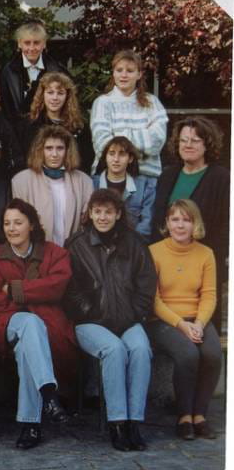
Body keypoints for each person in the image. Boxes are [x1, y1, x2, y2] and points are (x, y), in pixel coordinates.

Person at [64, 188, 156, 452]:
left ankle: (134, 422)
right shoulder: (76, 245)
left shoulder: (135, 243)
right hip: (91, 322)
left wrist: (133, 313)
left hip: (128, 319)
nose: (102, 217)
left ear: (118, 214)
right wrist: (90, 311)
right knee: (114, 350)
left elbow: (146, 284)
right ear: (90, 214)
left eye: (108, 212)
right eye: (98, 211)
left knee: (140, 349)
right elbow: (69, 289)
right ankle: (117, 423)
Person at [0, 198, 75, 449]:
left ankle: (30, 425)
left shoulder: (55, 253)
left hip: (43, 326)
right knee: (30, 323)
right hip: (7, 322)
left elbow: (57, 287)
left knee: (27, 347)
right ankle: (49, 394)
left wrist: (15, 289)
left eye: (18, 222)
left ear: (31, 225)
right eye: (7, 223)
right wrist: (35, 294)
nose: (11, 228)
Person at [146, 199, 221, 440]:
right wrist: (181, 324)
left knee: (212, 353)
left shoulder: (206, 254)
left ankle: (200, 415)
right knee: (188, 353)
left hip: (197, 318)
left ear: (195, 224)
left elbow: (209, 295)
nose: (180, 225)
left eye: (186, 220)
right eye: (175, 219)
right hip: (163, 320)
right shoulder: (154, 252)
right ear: (167, 223)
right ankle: (184, 417)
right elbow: (153, 300)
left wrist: (198, 324)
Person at [151, 117, 229, 330]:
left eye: (195, 140)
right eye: (183, 140)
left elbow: (225, 225)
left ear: (207, 144)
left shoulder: (222, 178)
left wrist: (216, 261)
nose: (188, 145)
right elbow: (158, 219)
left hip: (203, 267)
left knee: (203, 337)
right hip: (167, 267)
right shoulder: (168, 175)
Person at [90, 50, 168, 180]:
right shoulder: (102, 102)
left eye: (130, 71)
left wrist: (119, 136)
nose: (124, 75)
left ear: (139, 74)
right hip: (110, 178)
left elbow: (156, 142)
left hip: (146, 177)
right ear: (113, 73)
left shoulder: (152, 102)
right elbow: (102, 145)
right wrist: (141, 141)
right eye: (119, 70)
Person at [11, 125, 93, 246]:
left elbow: (86, 226)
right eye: (49, 148)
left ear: (68, 150)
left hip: (74, 251)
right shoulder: (21, 181)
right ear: (40, 150)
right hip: (36, 251)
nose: (54, 154)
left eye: (60, 148)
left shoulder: (85, 181)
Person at [0, 18, 70, 123]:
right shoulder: (6, 72)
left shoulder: (58, 71)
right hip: (16, 129)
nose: (31, 48)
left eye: (36, 43)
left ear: (44, 44)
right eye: (27, 43)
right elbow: (4, 110)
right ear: (19, 43)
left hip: (49, 128)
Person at [20, 72, 93, 174]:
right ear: (42, 94)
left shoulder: (78, 126)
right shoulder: (29, 124)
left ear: (67, 96)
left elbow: (86, 160)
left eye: (60, 93)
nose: (55, 98)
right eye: (50, 92)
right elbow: (23, 159)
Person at [92, 136, 155, 240]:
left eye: (122, 154)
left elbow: (146, 223)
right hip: (98, 244)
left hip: (133, 244)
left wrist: (130, 244)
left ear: (130, 158)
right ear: (105, 157)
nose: (116, 159)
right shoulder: (92, 183)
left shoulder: (145, 185)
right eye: (111, 153)